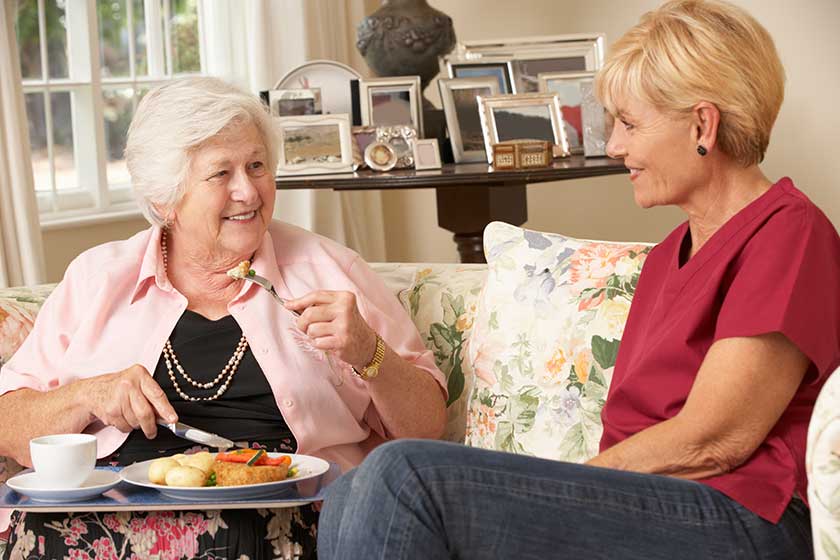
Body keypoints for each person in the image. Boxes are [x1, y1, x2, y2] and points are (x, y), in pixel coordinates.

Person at [317, 1, 840, 558]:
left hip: (740, 517)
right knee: (349, 492)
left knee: (404, 474)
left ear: (702, 125)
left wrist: (571, 487)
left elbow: (716, 438)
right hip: (645, 502)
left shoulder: (787, 232)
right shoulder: (670, 256)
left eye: (630, 124)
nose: (615, 146)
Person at [0, 77, 447, 559]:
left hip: (274, 515)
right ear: (165, 200)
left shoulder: (330, 271)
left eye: (257, 166)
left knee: (235, 536)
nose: (248, 191)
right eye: (221, 174)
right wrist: (87, 395)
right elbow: (9, 424)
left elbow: (425, 431)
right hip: (102, 518)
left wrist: (368, 351)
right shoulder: (97, 279)